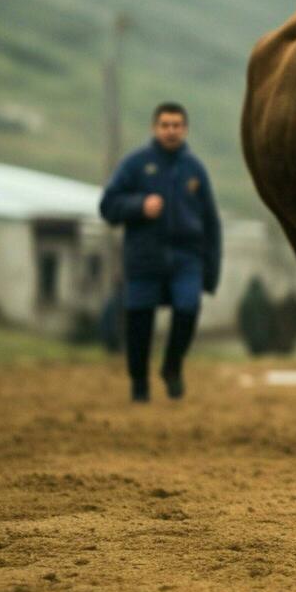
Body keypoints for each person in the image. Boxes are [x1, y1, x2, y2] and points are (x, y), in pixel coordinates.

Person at [99, 102, 221, 401]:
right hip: (144, 258)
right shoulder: (135, 165)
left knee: (188, 309)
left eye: (177, 125)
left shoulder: (195, 170)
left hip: (186, 258)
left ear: (185, 129)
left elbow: (211, 223)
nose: (171, 131)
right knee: (139, 324)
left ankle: (172, 366)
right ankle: (139, 385)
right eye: (165, 125)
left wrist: (211, 271)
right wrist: (139, 206)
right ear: (155, 128)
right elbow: (108, 205)